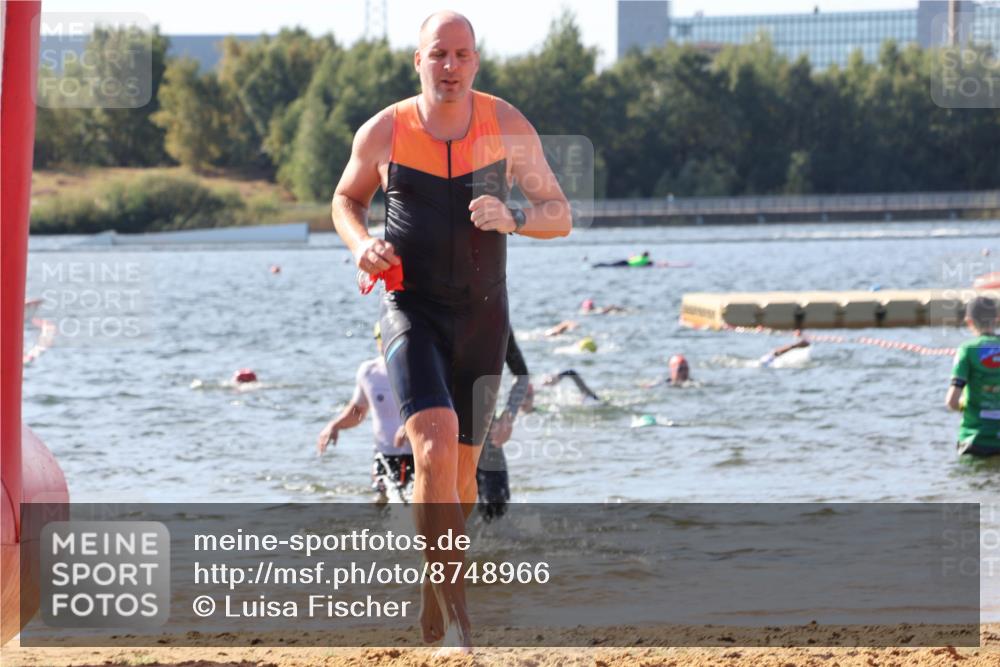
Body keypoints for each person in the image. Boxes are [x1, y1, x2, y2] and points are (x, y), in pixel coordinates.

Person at [330, 10, 571, 651]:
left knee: (460, 485)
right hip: (411, 311)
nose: (450, 66)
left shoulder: (506, 125)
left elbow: (559, 214)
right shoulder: (385, 130)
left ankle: (432, 591)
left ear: (476, 62)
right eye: (439, 54)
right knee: (432, 449)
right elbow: (346, 200)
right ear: (419, 61)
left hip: (484, 321)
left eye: (462, 55)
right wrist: (360, 244)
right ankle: (460, 629)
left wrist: (513, 217)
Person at [316, 323, 412, 502]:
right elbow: (358, 411)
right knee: (381, 505)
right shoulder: (368, 372)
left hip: (415, 454)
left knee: (413, 506)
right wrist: (335, 425)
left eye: (392, 335)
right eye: (381, 336)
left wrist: (411, 425)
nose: (387, 341)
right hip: (383, 455)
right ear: (376, 340)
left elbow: (442, 410)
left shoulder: (419, 369)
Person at [477, 332, 532, 521]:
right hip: (445, 432)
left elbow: (521, 375)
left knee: (497, 507)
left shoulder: (498, 321)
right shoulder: (438, 316)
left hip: (486, 434)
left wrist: (508, 415)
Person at [946, 296, 1000, 457]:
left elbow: (951, 402)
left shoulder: (967, 350)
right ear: (997, 318)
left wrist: (965, 406)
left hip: (973, 441)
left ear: (969, 321)